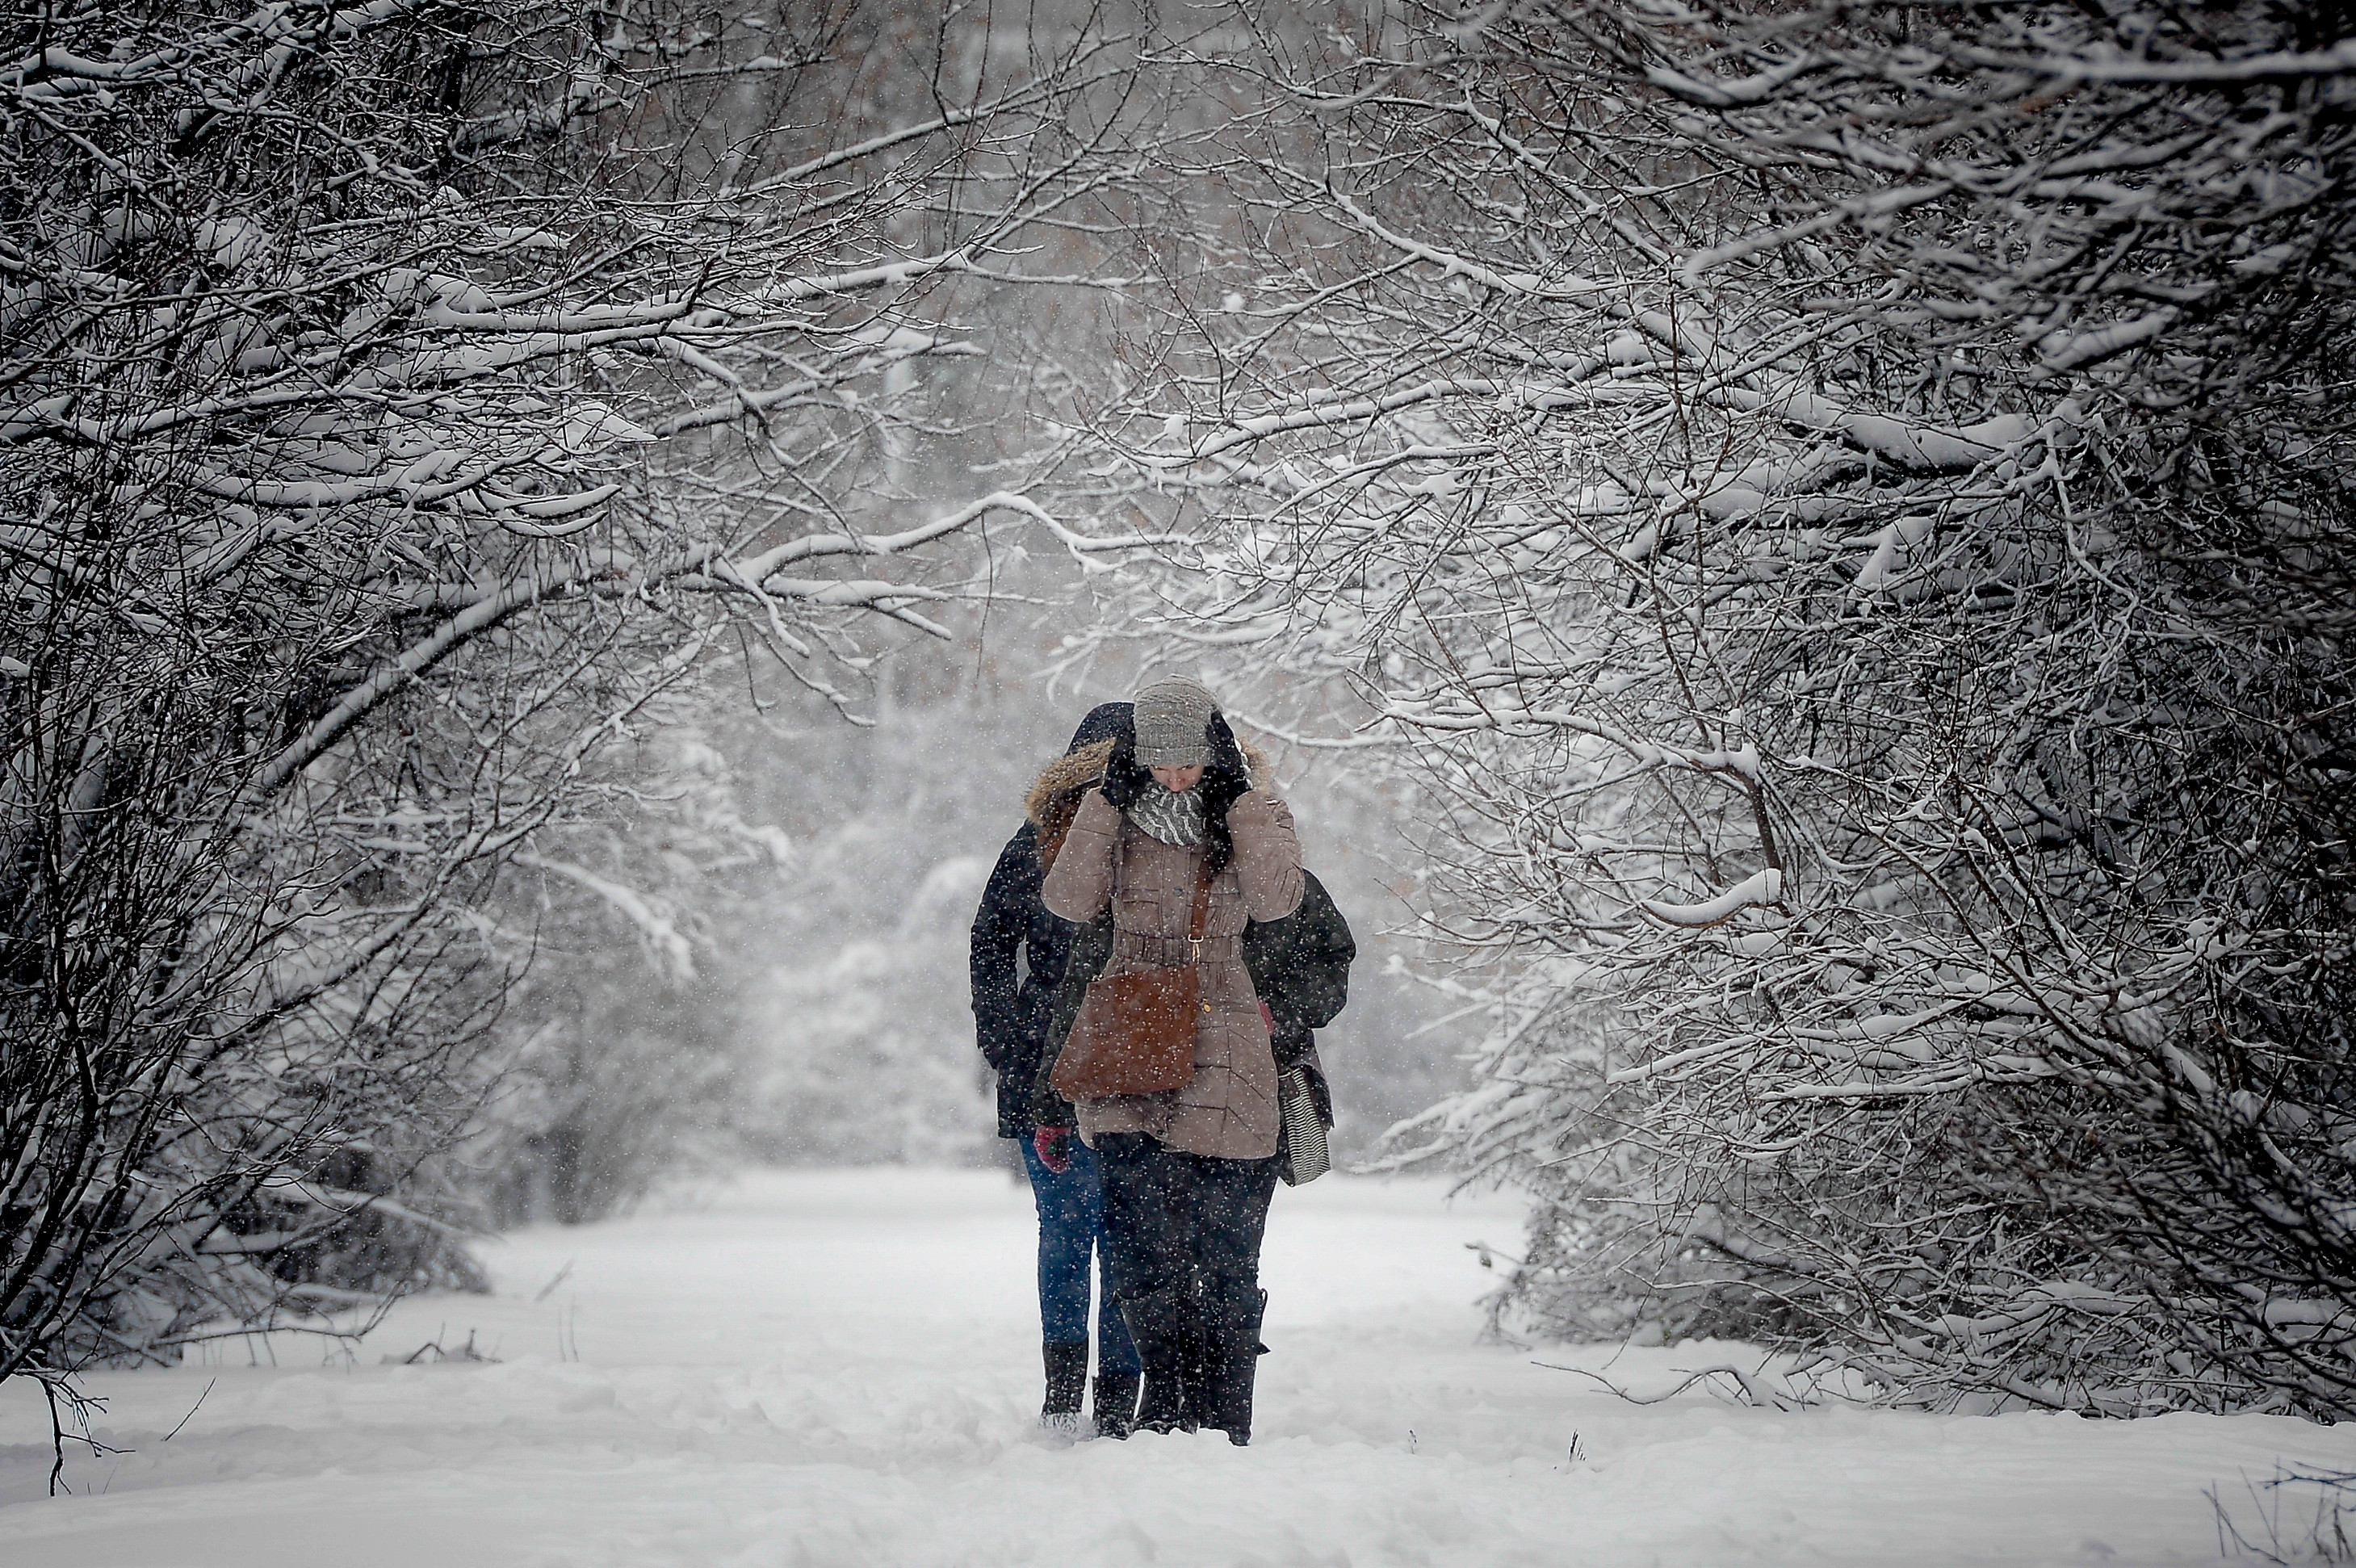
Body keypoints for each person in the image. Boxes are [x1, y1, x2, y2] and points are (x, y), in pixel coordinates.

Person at [1035, 676, 1304, 1444]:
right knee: (1141, 1243)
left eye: (1189, 763)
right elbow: (1067, 902)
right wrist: (1104, 804)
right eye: (1160, 764)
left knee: (1223, 1249)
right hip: (1133, 1030)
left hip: (1225, 1032)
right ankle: (1164, 1407)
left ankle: (1224, 1417)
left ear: (1212, 753)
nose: (1175, 779)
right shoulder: (1113, 813)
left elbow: (1280, 900)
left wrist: (1243, 802)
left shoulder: (1251, 809)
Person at [969, 703, 1143, 1440]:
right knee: (1110, 1238)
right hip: (1073, 1067)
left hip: (1118, 1066)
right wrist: (1009, 1042)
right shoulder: (1042, 845)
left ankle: (1074, 1401)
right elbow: (988, 944)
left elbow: (986, 947)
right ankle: (1092, 1403)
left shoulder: (1067, 842)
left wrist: (1006, 1037)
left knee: (1075, 1235)